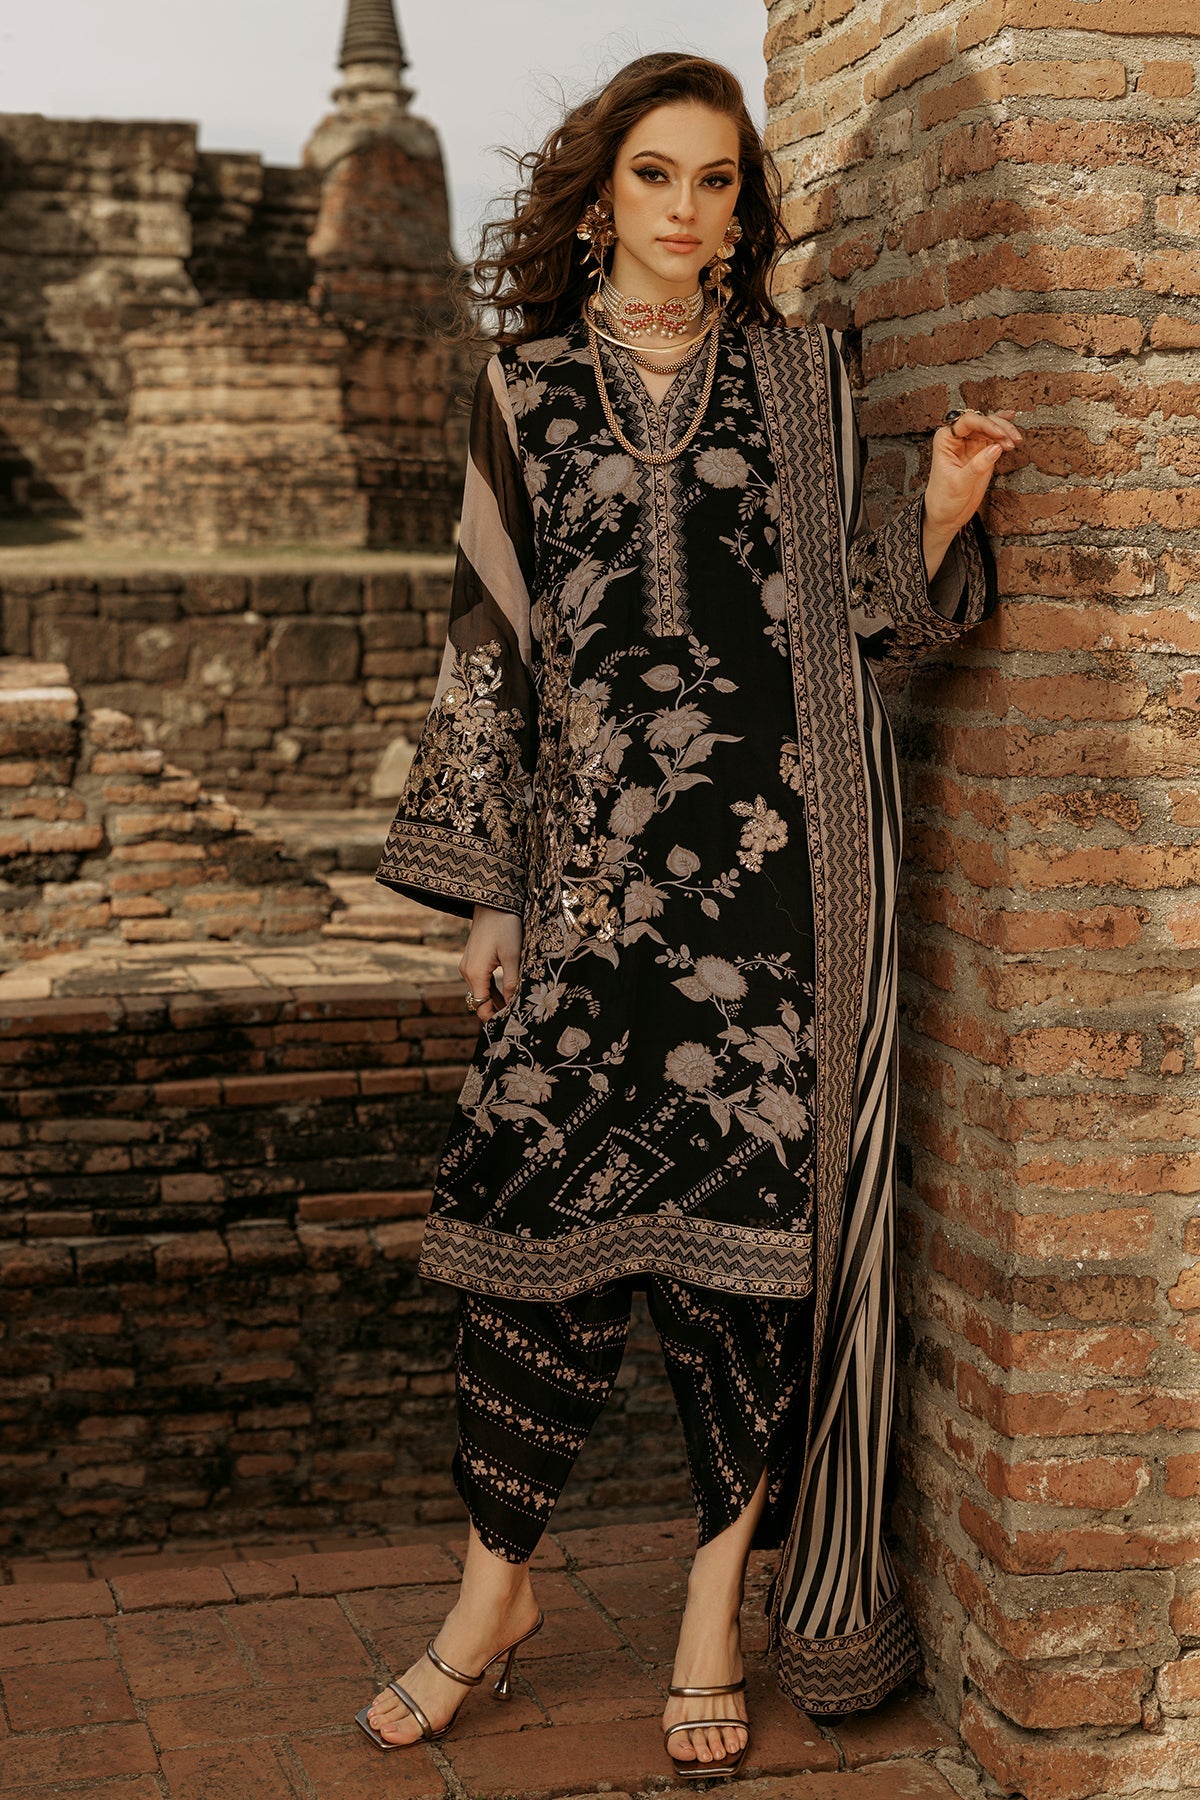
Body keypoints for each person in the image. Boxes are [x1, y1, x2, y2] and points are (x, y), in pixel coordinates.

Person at [363, 49, 1016, 1778]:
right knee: (523, 1223)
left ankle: (714, 1611)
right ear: (600, 197)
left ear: (744, 209)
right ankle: (494, 1593)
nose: (687, 208)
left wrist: (936, 511)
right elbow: (489, 646)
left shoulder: (803, 381)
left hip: (775, 894)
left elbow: (863, 626)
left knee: (746, 1262)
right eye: (656, 174)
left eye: (718, 180)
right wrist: (489, 894)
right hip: (588, 894)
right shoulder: (524, 391)